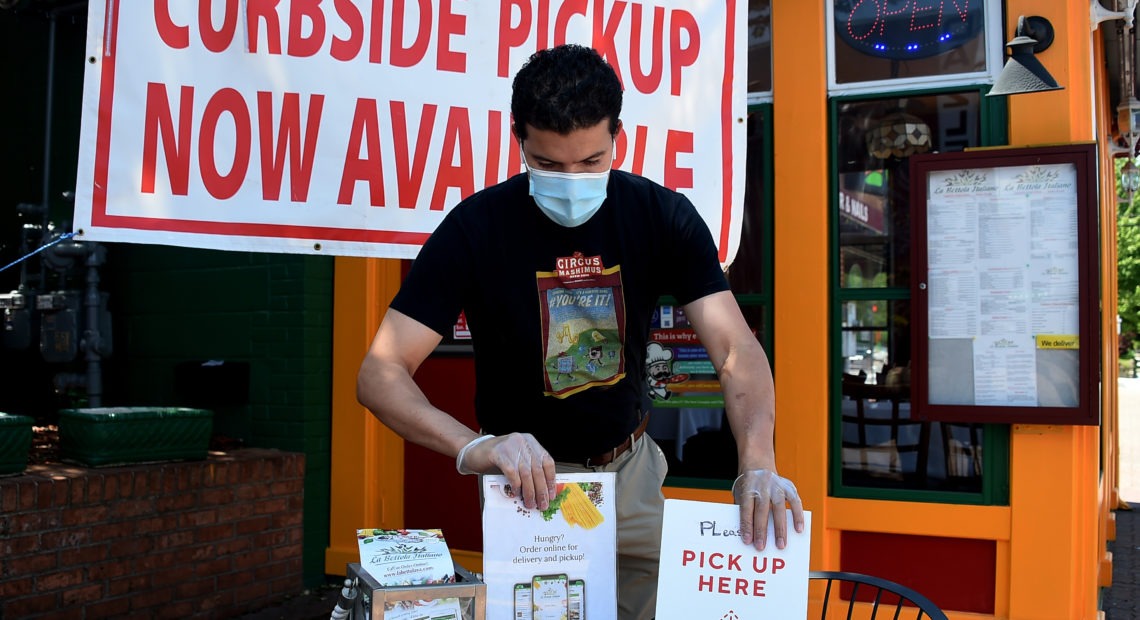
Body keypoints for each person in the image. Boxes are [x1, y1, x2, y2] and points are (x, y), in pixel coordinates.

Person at [356, 43, 804, 620]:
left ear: (619, 136)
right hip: (532, 490)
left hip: (632, 467)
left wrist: (758, 462)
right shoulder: (475, 227)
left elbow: (736, 349)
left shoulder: (661, 215)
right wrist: (475, 446)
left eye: (591, 162)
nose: (572, 181)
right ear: (518, 139)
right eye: (548, 165)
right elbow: (380, 373)